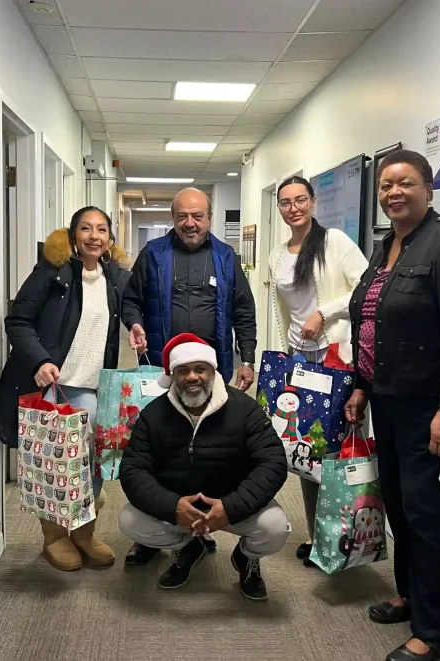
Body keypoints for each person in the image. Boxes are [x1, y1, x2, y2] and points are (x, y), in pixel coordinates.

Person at [344, 150, 440, 661]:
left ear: (428, 189)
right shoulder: (386, 246)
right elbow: (371, 324)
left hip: (429, 408)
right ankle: (408, 595)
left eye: (405, 183)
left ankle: (433, 635)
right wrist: (360, 385)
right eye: (386, 185)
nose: (394, 193)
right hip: (386, 399)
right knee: (400, 506)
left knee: (427, 515)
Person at [121, 187, 258, 564]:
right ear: (173, 218)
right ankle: (153, 536)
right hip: (164, 371)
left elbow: (244, 311)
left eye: (197, 216)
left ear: (209, 218)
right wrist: (134, 323)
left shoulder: (226, 257)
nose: (190, 223)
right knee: (159, 448)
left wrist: (247, 358)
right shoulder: (153, 254)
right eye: (182, 216)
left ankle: (200, 523)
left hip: (212, 374)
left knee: (205, 450)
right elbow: (131, 299)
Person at [0, 206, 130, 572]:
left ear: (110, 238)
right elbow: (18, 321)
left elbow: (131, 309)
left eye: (101, 230)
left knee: (93, 464)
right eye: (86, 229)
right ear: (73, 235)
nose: (94, 236)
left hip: (98, 386)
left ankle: (83, 532)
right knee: (55, 464)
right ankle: (54, 537)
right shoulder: (52, 273)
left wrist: (137, 326)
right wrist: (39, 361)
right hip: (58, 386)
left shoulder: (113, 276)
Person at [118, 333, 290, 601]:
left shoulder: (244, 409)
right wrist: (173, 507)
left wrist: (230, 508)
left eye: (200, 369)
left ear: (213, 372)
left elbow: (274, 462)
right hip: (179, 506)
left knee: (275, 527)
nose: (192, 377)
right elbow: (132, 470)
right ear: (173, 376)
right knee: (130, 520)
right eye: (183, 370)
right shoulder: (153, 414)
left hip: (232, 503)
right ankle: (188, 547)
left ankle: (246, 558)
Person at [269, 175, 368, 567]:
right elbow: (284, 308)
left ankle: (340, 539)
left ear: (312, 202)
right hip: (299, 359)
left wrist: (323, 313)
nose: (293, 208)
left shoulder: (334, 242)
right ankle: (316, 538)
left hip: (333, 359)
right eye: (285, 202)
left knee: (334, 454)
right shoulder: (278, 254)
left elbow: (365, 288)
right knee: (306, 451)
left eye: (300, 200)